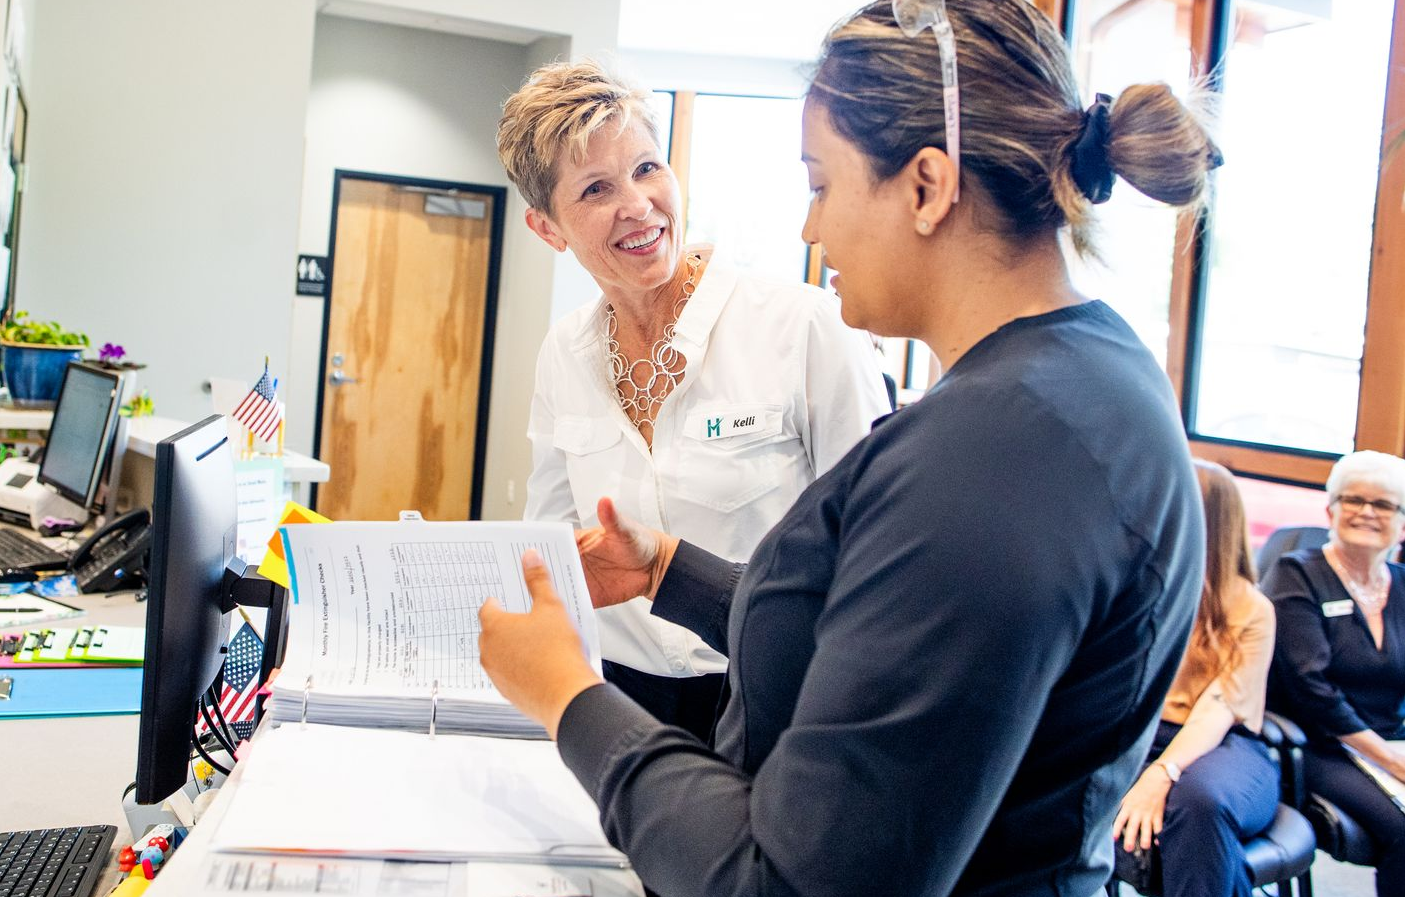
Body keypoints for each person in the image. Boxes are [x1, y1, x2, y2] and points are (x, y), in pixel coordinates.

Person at [479, 1, 1219, 893]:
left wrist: (566, 695)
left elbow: (788, 879)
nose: (808, 230)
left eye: (821, 184)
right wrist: (673, 568)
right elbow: (876, 623)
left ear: (926, 186)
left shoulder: (992, 462)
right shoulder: (1076, 383)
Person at [495, 61, 891, 740]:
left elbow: (876, 551)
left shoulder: (803, 328)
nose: (637, 204)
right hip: (616, 699)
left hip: (771, 699)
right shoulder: (564, 352)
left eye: (647, 168)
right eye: (595, 188)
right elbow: (553, 539)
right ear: (548, 228)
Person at [1113, 460, 1278, 897]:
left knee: (1198, 803)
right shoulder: (1139, 583)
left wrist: (1162, 773)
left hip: (1225, 744)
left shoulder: (1251, 608)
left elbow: (1217, 710)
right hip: (1141, 736)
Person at [1264, 449, 1405, 897]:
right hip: (1320, 747)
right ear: (1330, 509)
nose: (1366, 511)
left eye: (1382, 504)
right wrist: (1389, 758)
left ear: (1401, 520)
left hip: (1390, 741)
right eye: (1353, 499)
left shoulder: (1401, 585)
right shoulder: (1296, 575)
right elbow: (1311, 689)